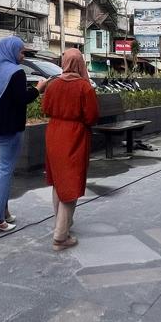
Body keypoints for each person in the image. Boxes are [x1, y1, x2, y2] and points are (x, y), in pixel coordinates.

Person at [42, 48, 100, 252]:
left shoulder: (53, 84)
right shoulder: (84, 87)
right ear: (80, 63)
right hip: (74, 135)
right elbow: (92, 116)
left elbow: (46, 109)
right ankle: (60, 235)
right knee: (72, 182)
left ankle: (61, 224)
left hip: (54, 133)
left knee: (58, 181)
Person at [0, 35, 40, 233]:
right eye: (21, 52)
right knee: (5, 170)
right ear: (11, 51)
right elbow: (22, 99)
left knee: (4, 169)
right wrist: (39, 89)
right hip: (11, 128)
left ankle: (3, 211)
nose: (23, 56)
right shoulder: (16, 73)